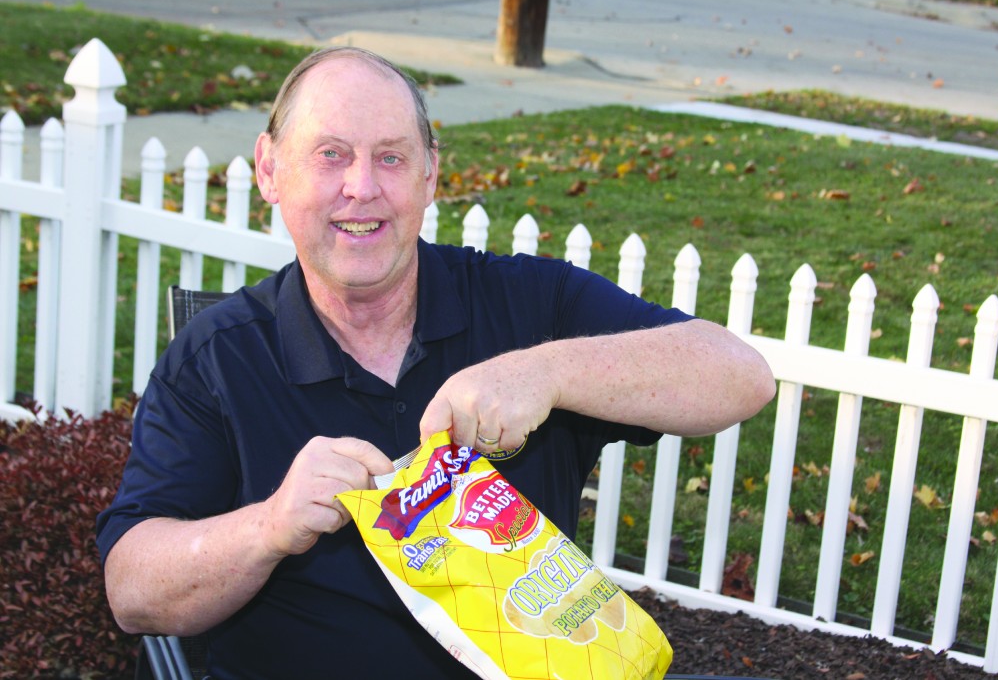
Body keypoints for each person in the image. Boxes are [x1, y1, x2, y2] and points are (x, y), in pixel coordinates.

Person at [97, 46, 775, 679]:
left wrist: (547, 374)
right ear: (270, 170)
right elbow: (132, 589)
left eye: (390, 158)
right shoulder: (219, 357)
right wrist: (269, 525)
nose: (361, 188)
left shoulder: (529, 306)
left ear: (432, 174)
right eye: (331, 155)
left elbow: (741, 375)